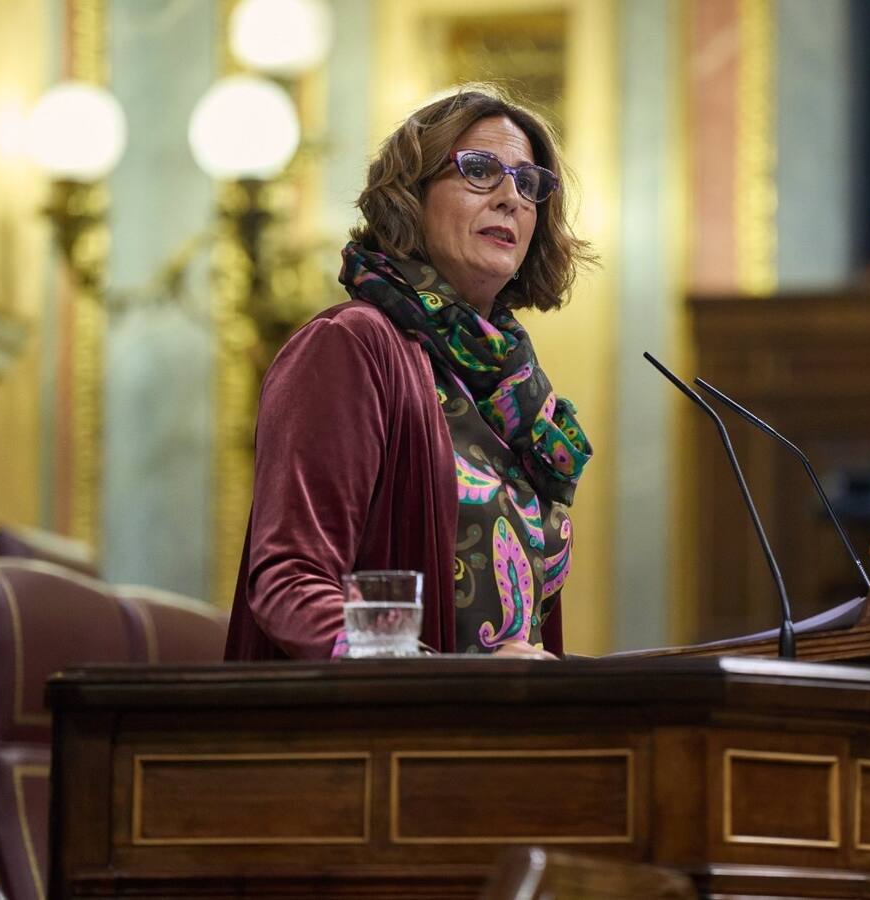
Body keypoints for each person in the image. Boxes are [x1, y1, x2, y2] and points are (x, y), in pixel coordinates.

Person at [224, 87, 595, 662]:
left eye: (529, 184)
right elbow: (292, 585)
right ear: (410, 195)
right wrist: (445, 681)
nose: (510, 198)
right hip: (384, 718)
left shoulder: (517, 394)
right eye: (479, 170)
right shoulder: (351, 345)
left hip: (499, 719)